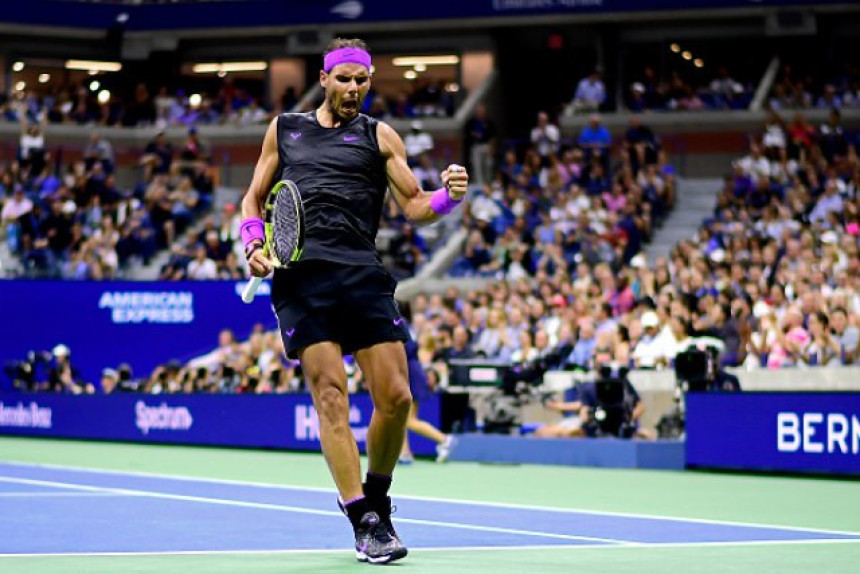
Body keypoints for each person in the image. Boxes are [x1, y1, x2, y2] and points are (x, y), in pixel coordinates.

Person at [240, 38, 469, 565]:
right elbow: (254, 197)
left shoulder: (379, 136)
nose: (353, 88)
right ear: (325, 78)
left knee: (397, 398)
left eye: (361, 80)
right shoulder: (285, 130)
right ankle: (363, 519)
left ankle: (379, 498)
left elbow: (414, 204)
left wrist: (448, 197)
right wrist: (254, 242)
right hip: (302, 280)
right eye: (344, 79)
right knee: (331, 396)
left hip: (363, 274)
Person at [397, 301, 458, 465]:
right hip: (408, 373)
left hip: (411, 374)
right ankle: (405, 453)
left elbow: (406, 350)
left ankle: (444, 439)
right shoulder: (402, 325)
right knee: (401, 417)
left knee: (409, 419)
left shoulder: (399, 325)